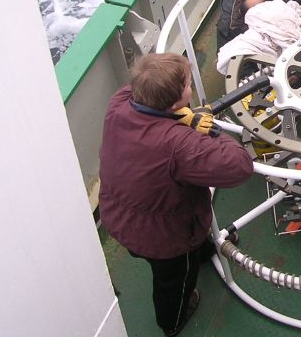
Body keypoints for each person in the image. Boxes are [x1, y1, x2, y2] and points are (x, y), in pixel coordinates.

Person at [99, 53, 254, 336]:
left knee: (185, 245)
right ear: (174, 103)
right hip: (163, 239)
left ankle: (203, 250)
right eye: (188, 85)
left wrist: (179, 115)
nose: (191, 86)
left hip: (120, 213)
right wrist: (210, 132)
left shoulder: (118, 104)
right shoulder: (179, 144)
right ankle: (173, 320)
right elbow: (239, 167)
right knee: (174, 279)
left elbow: (144, 87)